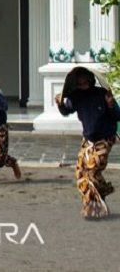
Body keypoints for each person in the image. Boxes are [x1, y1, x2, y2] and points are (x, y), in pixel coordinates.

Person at [56, 66, 120, 219]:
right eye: (80, 81)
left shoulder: (103, 94)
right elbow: (66, 111)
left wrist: (111, 104)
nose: (83, 83)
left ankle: (97, 202)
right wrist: (60, 103)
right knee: (80, 172)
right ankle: (94, 198)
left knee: (92, 171)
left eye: (85, 80)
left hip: (105, 138)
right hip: (88, 140)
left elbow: (118, 116)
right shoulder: (76, 96)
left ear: (90, 79)